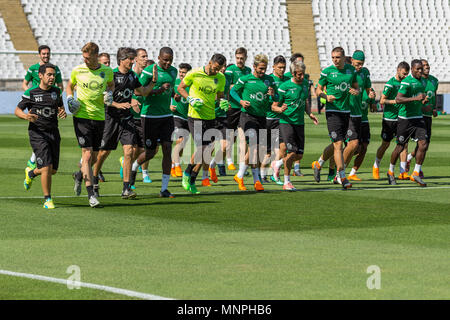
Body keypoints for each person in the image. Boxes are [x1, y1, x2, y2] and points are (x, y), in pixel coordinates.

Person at [92, 47, 156, 199]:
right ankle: (94, 180)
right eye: (130, 59)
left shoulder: (133, 76)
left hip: (126, 119)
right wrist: (117, 104)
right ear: (122, 60)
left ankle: (126, 188)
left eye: (134, 59)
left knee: (129, 151)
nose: (133, 61)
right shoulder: (111, 75)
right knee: (103, 152)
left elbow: (142, 92)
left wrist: (153, 82)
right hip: (111, 118)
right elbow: (102, 98)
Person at [67, 42, 114, 207]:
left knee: (94, 156)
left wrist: (109, 94)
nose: (85, 60)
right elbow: (69, 85)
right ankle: (91, 194)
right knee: (86, 156)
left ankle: (79, 176)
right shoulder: (78, 70)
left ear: (96, 56)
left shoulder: (107, 71)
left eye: (88, 57)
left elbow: (111, 85)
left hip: (100, 117)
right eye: (84, 57)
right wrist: (69, 98)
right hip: (81, 117)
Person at [16, 63, 66, 209]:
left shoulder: (56, 91)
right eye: (49, 75)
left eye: (53, 75)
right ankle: (47, 199)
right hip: (37, 133)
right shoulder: (31, 92)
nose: (52, 78)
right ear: (40, 76)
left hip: (53, 132)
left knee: (53, 170)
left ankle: (31, 173)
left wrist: (61, 112)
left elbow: (60, 108)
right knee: (46, 167)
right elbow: (17, 110)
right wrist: (26, 117)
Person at [129, 47, 177, 198]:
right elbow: (137, 91)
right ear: (159, 58)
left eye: (170, 60)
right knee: (150, 152)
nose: (168, 63)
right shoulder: (150, 71)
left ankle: (164, 189)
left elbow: (171, 90)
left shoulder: (174, 71)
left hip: (167, 116)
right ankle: (134, 167)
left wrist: (175, 95)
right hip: (149, 116)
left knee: (168, 149)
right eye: (165, 60)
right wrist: (158, 90)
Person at [177, 53, 227, 194]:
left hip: (211, 117)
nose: (216, 71)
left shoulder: (220, 78)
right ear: (210, 62)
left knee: (206, 151)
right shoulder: (195, 73)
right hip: (195, 116)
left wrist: (222, 102)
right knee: (203, 148)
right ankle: (187, 173)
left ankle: (192, 181)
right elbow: (180, 88)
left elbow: (220, 96)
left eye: (219, 69)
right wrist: (190, 99)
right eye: (215, 68)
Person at [312, 47, 359, 189]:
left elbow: (356, 87)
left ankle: (319, 163)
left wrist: (355, 91)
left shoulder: (351, 71)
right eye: (333, 57)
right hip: (332, 112)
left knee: (336, 144)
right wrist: (326, 97)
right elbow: (318, 90)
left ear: (344, 58)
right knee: (338, 144)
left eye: (338, 57)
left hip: (346, 112)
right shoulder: (327, 72)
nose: (335, 60)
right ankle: (342, 176)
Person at [230, 54, 277, 192]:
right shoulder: (245, 79)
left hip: (262, 117)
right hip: (248, 117)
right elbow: (233, 91)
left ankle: (256, 180)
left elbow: (277, 98)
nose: (263, 71)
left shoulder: (269, 80)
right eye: (261, 68)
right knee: (254, 148)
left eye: (265, 68)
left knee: (259, 151)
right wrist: (241, 101)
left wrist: (273, 94)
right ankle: (241, 176)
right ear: (254, 67)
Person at [272, 60, 319, 190]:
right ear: (293, 73)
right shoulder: (284, 87)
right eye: (299, 74)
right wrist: (280, 109)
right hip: (286, 122)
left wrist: (310, 114)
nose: (302, 77)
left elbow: (304, 101)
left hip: (300, 123)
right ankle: (287, 182)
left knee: (299, 155)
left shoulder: (305, 84)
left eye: (303, 74)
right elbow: (274, 106)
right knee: (291, 152)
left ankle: (278, 163)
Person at [386, 59, 429, 187]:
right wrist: (415, 98)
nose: (420, 71)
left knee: (423, 144)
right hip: (405, 119)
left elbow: (420, 98)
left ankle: (415, 173)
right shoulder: (406, 81)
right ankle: (390, 171)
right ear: (412, 69)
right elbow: (398, 99)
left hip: (418, 117)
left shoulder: (422, 82)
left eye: (421, 69)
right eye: (418, 69)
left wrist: (425, 104)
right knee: (400, 147)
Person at [23, 45, 64, 172]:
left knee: (48, 131)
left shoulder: (55, 69)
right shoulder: (33, 68)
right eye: (43, 54)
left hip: (49, 102)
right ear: (39, 54)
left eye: (48, 53)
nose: (46, 56)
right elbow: (24, 84)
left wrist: (56, 101)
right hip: (36, 104)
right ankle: (33, 161)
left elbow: (60, 86)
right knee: (39, 131)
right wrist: (31, 100)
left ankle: (33, 164)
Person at [372, 62, 410, 180]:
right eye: (404, 73)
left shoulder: (406, 83)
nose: (405, 76)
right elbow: (382, 101)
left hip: (401, 117)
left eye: (407, 74)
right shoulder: (390, 84)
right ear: (398, 70)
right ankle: (376, 165)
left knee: (403, 144)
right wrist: (395, 101)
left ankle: (402, 172)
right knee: (386, 144)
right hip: (389, 118)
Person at [343, 50, 376, 181]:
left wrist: (372, 98)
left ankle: (351, 173)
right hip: (280, 119)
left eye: (362, 63)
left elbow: (369, 90)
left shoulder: (364, 73)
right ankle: (273, 169)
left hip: (361, 115)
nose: (360, 66)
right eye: (357, 63)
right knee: (350, 145)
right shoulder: (347, 72)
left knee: (362, 146)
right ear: (351, 61)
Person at [406, 59, 439, 178]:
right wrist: (421, 107)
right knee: (419, 143)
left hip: (428, 116)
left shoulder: (434, 80)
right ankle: (406, 168)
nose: (426, 67)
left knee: (424, 144)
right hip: (417, 115)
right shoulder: (418, 81)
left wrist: (434, 108)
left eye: (427, 65)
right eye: (424, 65)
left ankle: (411, 161)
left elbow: (434, 94)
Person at [261, 55, 288, 184]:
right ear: (273, 67)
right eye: (279, 67)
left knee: (281, 149)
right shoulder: (268, 79)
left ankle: (275, 175)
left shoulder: (287, 80)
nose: (282, 70)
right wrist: (270, 96)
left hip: (281, 119)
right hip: (268, 118)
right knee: (267, 151)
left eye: (284, 67)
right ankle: (262, 175)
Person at [128, 49, 153, 184]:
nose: (145, 58)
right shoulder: (130, 74)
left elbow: (145, 92)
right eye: (143, 56)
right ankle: (129, 175)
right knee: (132, 149)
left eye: (146, 56)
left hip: (143, 115)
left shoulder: (147, 74)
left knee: (143, 148)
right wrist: (131, 100)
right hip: (129, 116)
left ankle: (141, 172)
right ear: (135, 59)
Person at [225, 48, 252, 171]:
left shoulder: (248, 71)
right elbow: (227, 87)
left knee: (243, 137)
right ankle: (228, 159)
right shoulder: (230, 70)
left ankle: (242, 165)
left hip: (243, 108)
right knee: (231, 137)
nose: (239, 60)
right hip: (232, 107)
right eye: (237, 58)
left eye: (241, 58)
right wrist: (238, 86)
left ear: (246, 58)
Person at [207, 62, 231, 184]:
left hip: (222, 115)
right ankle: (205, 175)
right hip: (210, 115)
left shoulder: (225, 79)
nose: (222, 68)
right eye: (220, 66)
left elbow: (225, 94)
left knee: (226, 144)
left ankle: (212, 164)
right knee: (208, 147)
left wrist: (227, 102)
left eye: (224, 66)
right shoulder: (209, 78)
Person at [170, 63, 192, 178]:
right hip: (176, 116)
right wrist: (170, 105)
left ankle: (173, 165)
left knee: (182, 145)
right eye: (181, 72)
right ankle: (178, 165)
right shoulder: (175, 83)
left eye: (184, 72)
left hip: (188, 117)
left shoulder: (192, 84)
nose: (182, 74)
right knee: (180, 140)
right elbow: (168, 94)